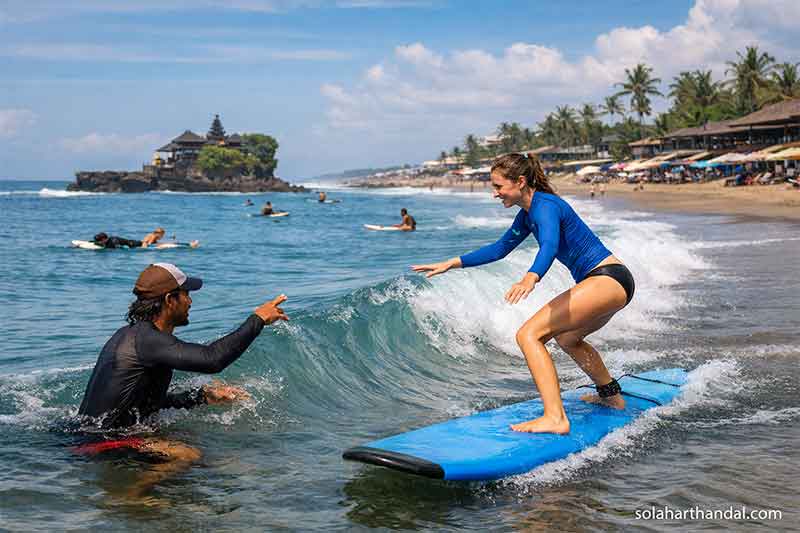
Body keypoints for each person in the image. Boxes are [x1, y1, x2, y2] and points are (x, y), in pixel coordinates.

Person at [411, 152, 634, 435]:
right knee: (568, 338)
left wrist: (531, 277)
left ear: (519, 181)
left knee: (529, 335)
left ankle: (555, 418)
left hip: (606, 279)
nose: (494, 193)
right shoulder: (528, 215)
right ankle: (611, 396)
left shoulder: (545, 206)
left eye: (497, 186)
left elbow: (550, 245)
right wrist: (451, 263)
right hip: (613, 282)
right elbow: (499, 249)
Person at [76, 263, 289, 496]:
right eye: (186, 294)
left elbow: (141, 401)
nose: (190, 301)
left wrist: (199, 397)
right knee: (188, 455)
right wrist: (257, 319)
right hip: (102, 442)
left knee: (193, 446)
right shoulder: (148, 340)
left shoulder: (132, 335)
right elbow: (212, 360)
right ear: (170, 300)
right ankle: (129, 497)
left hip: (92, 434)